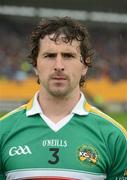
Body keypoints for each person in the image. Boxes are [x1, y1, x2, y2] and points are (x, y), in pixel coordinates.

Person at [0, 17, 127, 180]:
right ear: (35, 65)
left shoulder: (115, 137)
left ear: (85, 66)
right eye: (49, 55)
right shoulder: (3, 132)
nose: (59, 65)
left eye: (68, 56)